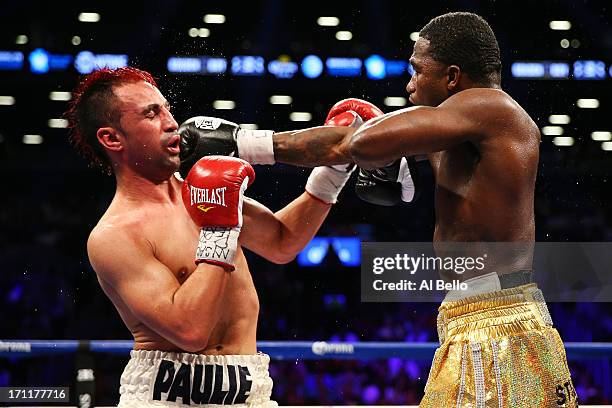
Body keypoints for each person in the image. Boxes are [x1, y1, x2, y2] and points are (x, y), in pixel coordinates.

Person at [186, 11, 576, 408]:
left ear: (452, 77)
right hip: (475, 316)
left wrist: (240, 142)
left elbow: (358, 145)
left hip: (496, 324)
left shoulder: (491, 107)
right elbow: (360, 144)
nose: (409, 85)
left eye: (417, 70)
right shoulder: (457, 131)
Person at [66, 67, 358, 407]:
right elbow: (190, 331)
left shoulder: (202, 191)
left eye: (166, 108)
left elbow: (281, 243)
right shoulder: (114, 235)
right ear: (112, 139)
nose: (171, 122)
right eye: (151, 113)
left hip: (248, 388)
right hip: (169, 396)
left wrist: (334, 170)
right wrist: (219, 229)